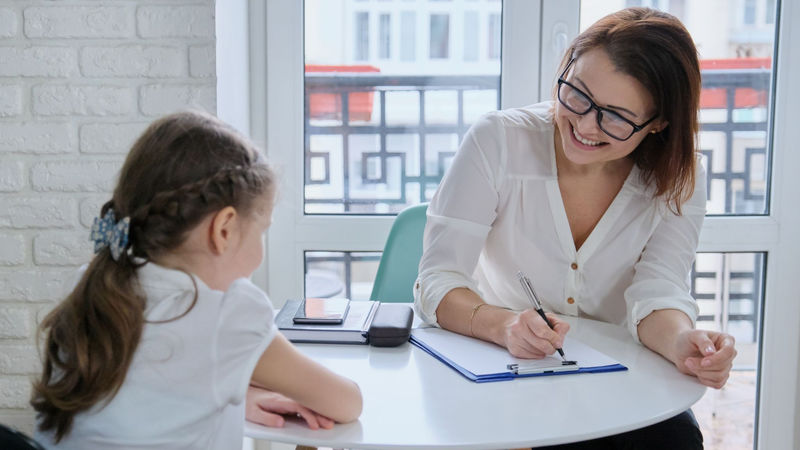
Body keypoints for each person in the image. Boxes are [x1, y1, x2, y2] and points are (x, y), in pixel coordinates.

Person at [414, 7, 736, 448]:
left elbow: (657, 292)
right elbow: (438, 279)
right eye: (577, 94)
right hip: (499, 369)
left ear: (659, 123)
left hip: (618, 379)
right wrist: (505, 326)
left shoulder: (681, 179)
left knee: (676, 442)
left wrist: (683, 341)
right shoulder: (499, 140)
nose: (584, 125)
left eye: (616, 116)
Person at [30, 111, 362, 449]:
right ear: (224, 230)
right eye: (262, 232)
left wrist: (238, 391)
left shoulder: (91, 285)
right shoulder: (228, 311)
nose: (261, 252)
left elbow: (139, 394)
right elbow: (346, 403)